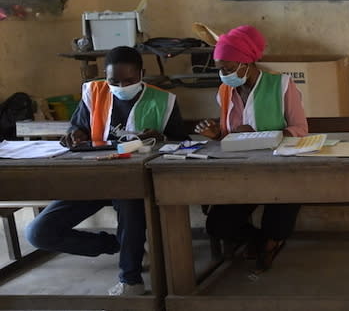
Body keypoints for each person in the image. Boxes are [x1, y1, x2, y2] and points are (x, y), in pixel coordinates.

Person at [27, 46, 189, 296]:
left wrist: (161, 137)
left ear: (142, 74)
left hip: (135, 181)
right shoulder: (94, 92)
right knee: (39, 232)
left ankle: (130, 280)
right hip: (94, 178)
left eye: (130, 80)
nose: (121, 85)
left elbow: (182, 142)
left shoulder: (163, 100)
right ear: (105, 75)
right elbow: (77, 128)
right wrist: (74, 134)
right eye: (114, 80)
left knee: (130, 206)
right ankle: (118, 245)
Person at [194, 25, 308, 272]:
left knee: (281, 212)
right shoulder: (225, 91)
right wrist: (216, 134)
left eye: (227, 67)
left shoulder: (281, 85)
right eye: (220, 69)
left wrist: (258, 137)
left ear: (246, 63)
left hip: (280, 171)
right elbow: (229, 136)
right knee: (217, 225)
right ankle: (260, 240)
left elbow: (300, 130)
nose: (223, 74)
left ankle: (271, 240)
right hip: (238, 174)